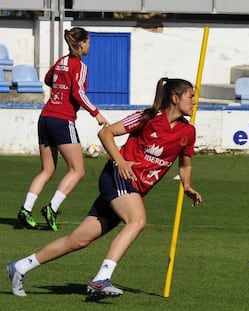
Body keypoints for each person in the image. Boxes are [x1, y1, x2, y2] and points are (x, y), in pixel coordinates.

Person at [7, 77, 203, 297]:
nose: (194, 101)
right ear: (175, 98)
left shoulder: (188, 132)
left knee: (78, 240)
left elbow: (185, 163)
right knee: (137, 221)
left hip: (133, 191)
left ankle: (21, 266)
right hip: (117, 178)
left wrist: (186, 185)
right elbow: (106, 133)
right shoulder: (147, 117)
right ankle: (101, 279)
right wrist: (120, 161)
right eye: (191, 96)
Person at [17, 27, 109, 231]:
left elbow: (48, 79)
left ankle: (25, 209)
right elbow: (78, 93)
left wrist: (60, 90)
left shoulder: (61, 62)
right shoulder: (80, 66)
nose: (90, 46)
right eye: (89, 42)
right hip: (62, 120)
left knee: (47, 170)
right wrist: (96, 113)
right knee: (78, 170)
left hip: (45, 118)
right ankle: (52, 207)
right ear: (82, 44)